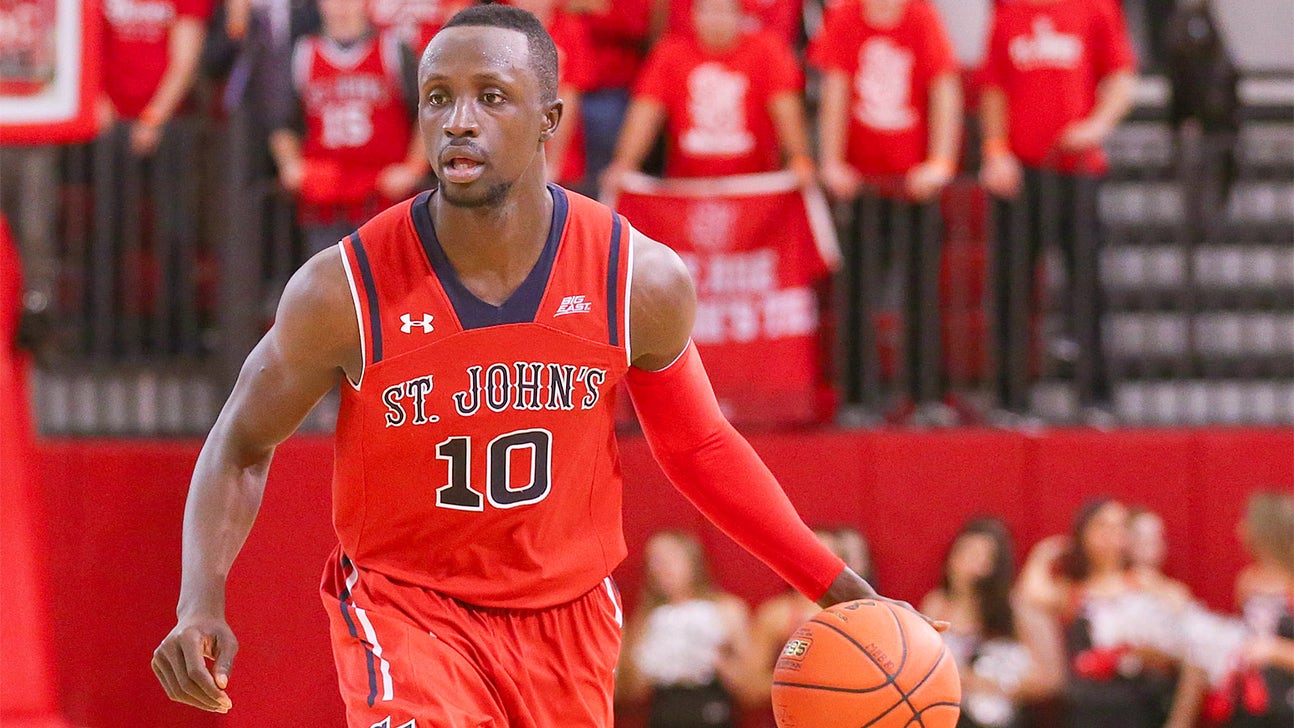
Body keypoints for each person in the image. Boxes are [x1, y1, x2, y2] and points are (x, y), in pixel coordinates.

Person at [150, 6, 937, 726]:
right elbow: (240, 442)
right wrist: (199, 599)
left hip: (569, 623)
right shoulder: (344, 288)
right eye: (437, 98)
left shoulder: (635, 278)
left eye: (492, 97)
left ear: (549, 121)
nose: (459, 120)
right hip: (408, 610)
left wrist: (838, 588)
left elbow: (700, 447)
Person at [978, 0, 1136, 427]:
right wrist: (995, 150)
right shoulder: (1007, 14)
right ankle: (1011, 400)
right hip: (1019, 172)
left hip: (1077, 168)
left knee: (1087, 287)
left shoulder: (1095, 9)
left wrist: (1097, 126)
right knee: (1011, 288)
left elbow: (1121, 78)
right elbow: (993, 88)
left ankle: (1096, 398)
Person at [808, 0, 962, 425]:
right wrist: (832, 161)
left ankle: (927, 397)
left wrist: (940, 162)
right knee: (857, 293)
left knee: (922, 293)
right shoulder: (845, 17)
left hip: (915, 186)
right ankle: (857, 399)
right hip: (863, 186)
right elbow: (836, 89)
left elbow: (944, 89)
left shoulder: (921, 16)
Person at [600, 0, 815, 194]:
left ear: (740, 15)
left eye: (723, 11)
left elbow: (786, 111)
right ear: (693, 15)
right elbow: (645, 112)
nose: (715, 20)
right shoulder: (670, 53)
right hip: (687, 188)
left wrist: (798, 158)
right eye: (707, 11)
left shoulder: (767, 49)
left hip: (754, 187)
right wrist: (625, 162)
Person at [1018, 499, 1196, 728]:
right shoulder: (1073, 592)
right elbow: (1029, 596)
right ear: (1084, 533)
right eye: (1102, 525)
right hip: (1086, 710)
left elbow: (1189, 638)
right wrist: (1044, 554)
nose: (1111, 535)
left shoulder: (1145, 583)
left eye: (1119, 526)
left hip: (1139, 707)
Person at [270, 0, 427, 256]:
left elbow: (426, 114)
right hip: (324, 199)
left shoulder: (394, 49)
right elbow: (281, 122)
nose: (342, 5)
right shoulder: (302, 53)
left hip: (384, 195)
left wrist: (414, 167)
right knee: (328, 275)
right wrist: (290, 164)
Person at [920, 517, 1063, 728]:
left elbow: (1050, 679)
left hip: (1001, 717)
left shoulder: (1018, 610)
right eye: (964, 553)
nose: (968, 565)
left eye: (981, 557)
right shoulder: (936, 604)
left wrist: (985, 683)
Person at [618, 531, 750, 728]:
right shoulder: (647, 619)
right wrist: (651, 661)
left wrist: (716, 660)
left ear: (693, 560)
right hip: (664, 716)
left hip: (713, 713)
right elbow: (629, 692)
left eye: (670, 558)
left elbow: (751, 688)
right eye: (654, 561)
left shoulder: (727, 610)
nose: (661, 568)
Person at [1221, 491, 1294, 727]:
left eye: (1246, 521)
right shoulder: (1246, 581)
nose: (1239, 529)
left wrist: (1274, 650)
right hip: (1252, 703)